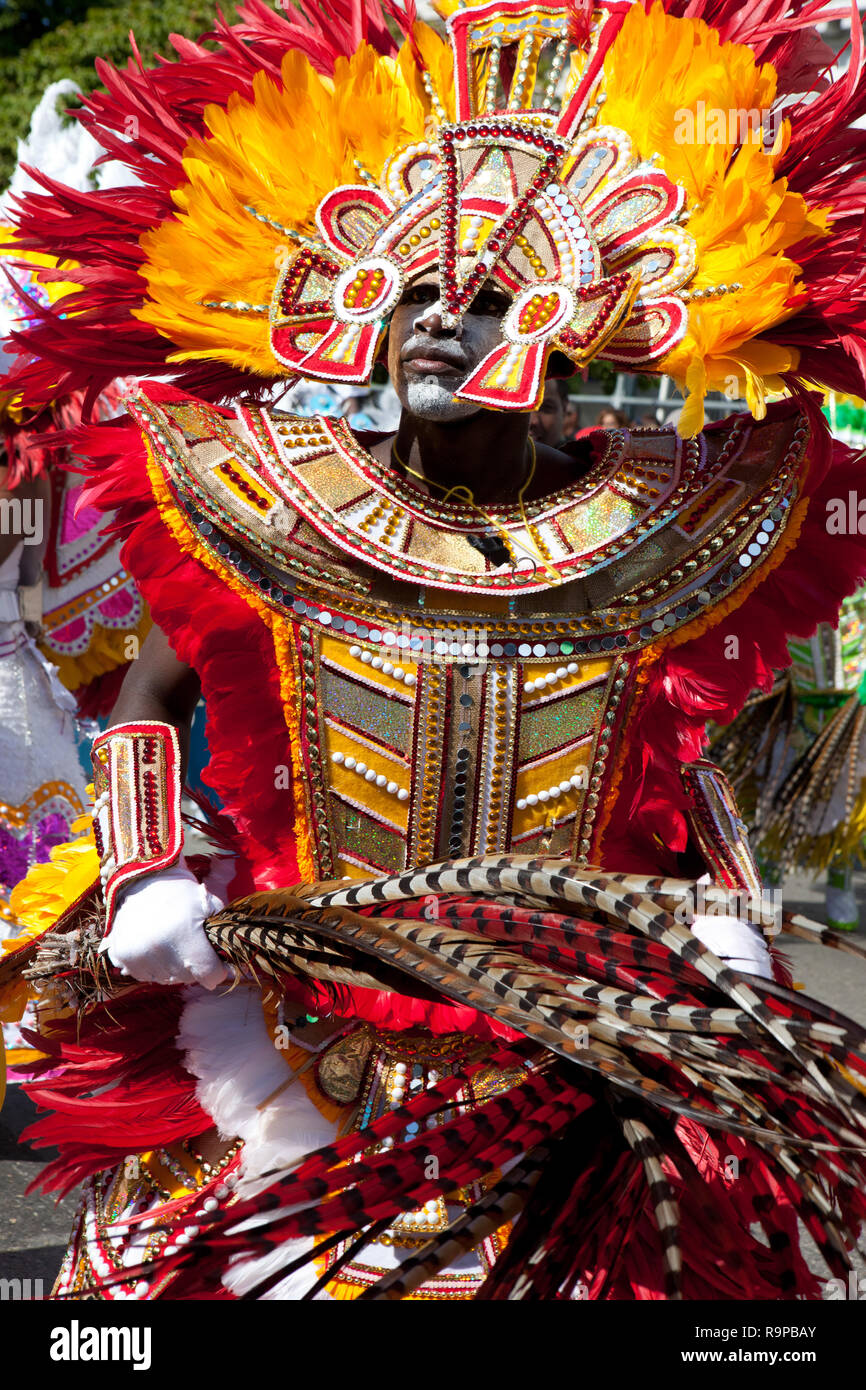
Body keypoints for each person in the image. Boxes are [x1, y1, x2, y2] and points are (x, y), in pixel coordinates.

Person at [4, 0, 866, 1303]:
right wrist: (144, 879)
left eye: (483, 304)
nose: (436, 327)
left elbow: (672, 760)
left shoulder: (654, 527)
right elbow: (144, 696)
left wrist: (724, 923)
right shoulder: (262, 496)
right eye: (407, 296)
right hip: (300, 1030)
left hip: (563, 1059)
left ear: (563, 326)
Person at [527, 376, 569, 447]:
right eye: (521, 408)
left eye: (546, 408)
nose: (533, 421)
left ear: (564, 409)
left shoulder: (579, 457)